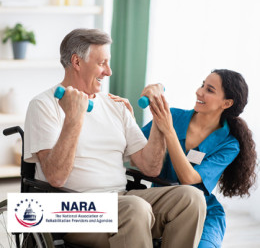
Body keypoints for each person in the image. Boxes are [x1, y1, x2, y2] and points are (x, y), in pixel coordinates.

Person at [24, 28, 206, 248]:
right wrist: (74, 119)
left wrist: (159, 118)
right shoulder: (43, 105)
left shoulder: (114, 105)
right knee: (135, 209)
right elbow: (56, 177)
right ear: (77, 62)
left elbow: (150, 167)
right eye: (102, 63)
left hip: (121, 201)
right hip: (71, 211)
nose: (109, 72)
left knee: (191, 198)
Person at [122, 69, 256, 248]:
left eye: (209, 90)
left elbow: (189, 179)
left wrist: (168, 131)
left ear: (227, 103)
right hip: (163, 203)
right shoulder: (174, 116)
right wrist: (128, 119)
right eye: (202, 85)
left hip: (204, 211)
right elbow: (135, 150)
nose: (199, 92)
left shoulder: (229, 145)